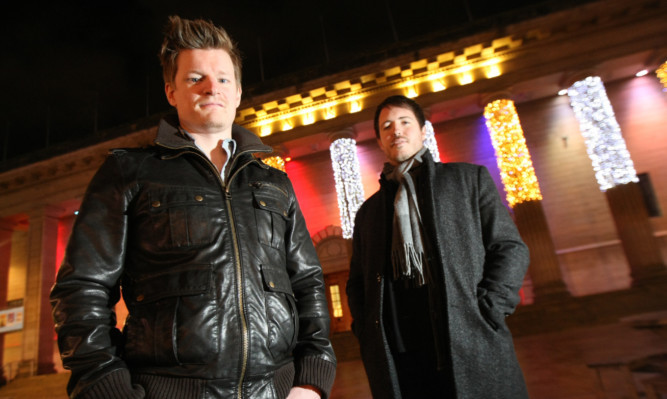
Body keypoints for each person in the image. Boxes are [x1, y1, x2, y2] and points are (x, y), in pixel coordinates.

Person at [50, 16, 336, 399]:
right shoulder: (128, 172)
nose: (210, 87)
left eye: (222, 78)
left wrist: (312, 380)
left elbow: (308, 282)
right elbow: (81, 289)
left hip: (278, 390)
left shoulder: (273, 182)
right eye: (193, 78)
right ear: (171, 92)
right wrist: (105, 386)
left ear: (236, 92)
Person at [346, 95, 529, 398]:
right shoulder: (369, 213)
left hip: (468, 338)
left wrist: (491, 307)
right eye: (387, 126)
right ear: (380, 141)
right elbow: (357, 283)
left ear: (421, 130)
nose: (396, 131)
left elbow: (510, 247)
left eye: (405, 122)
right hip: (402, 358)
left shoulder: (467, 180)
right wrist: (366, 330)